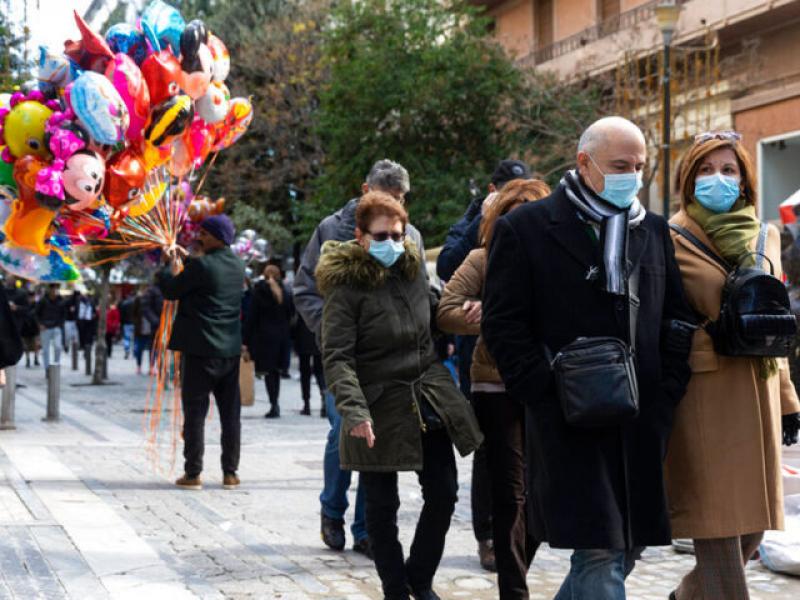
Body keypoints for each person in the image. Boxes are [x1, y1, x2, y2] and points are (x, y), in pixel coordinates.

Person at [482, 116, 695, 599]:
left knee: (624, 549)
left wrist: (666, 393)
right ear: (584, 162)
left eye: (640, 166)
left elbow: (676, 319)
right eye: (621, 165)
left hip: (641, 421)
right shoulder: (527, 229)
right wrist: (544, 393)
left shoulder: (652, 230)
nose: (633, 176)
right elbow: (503, 325)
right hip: (571, 420)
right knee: (598, 549)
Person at [318, 191, 483, 600]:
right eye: (382, 235)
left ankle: (419, 577)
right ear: (360, 236)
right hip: (375, 404)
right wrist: (354, 411)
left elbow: (434, 317)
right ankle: (395, 587)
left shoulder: (412, 272)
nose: (392, 243)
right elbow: (337, 357)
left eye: (398, 234)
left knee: (444, 492)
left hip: (427, 397)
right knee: (380, 505)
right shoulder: (345, 287)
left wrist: (463, 315)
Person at [664, 132, 800, 600]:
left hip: (757, 391)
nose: (716, 179)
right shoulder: (667, 235)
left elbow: (772, 321)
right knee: (717, 527)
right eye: (705, 170)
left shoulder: (766, 233)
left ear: (744, 180)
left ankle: (683, 597)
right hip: (703, 395)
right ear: (687, 178)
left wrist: (787, 401)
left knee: (752, 532)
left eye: (727, 170)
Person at [294, 159, 425, 557]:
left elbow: (421, 290)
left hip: (392, 363)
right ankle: (332, 510)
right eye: (389, 196)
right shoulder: (332, 229)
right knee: (343, 431)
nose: (396, 204)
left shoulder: (410, 234)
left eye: (401, 199)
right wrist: (333, 329)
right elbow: (304, 289)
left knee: (379, 440)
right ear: (366, 189)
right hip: (345, 358)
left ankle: (367, 528)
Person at [437, 178, 551, 599]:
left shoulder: (556, 262)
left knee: (543, 492)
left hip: (547, 383)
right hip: (495, 385)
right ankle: (514, 590)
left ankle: (518, 565)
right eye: (510, 215)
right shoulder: (483, 259)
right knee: (511, 492)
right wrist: (490, 314)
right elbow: (446, 310)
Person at [157, 214, 245, 491]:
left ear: (218, 237)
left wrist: (166, 266)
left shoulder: (202, 266)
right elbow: (204, 276)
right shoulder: (238, 265)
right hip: (229, 350)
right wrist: (190, 260)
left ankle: (193, 473)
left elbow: (172, 290)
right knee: (231, 415)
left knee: (195, 413)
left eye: (204, 234)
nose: (199, 238)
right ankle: (230, 472)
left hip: (199, 350)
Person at [244, 264, 294, 419]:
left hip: (264, 338)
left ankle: (274, 404)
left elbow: (251, 317)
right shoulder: (285, 292)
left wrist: (245, 339)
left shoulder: (258, 292)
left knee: (266, 372)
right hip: (281, 338)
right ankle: (275, 402)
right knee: (276, 372)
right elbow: (291, 314)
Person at [293, 314, 327, 417]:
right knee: (320, 372)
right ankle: (324, 397)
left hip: (303, 336)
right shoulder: (323, 299)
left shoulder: (302, 299)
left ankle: (306, 404)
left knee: (305, 373)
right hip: (319, 337)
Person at [133, 283, 162, 375]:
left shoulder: (155, 297)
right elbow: (134, 313)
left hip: (151, 327)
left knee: (153, 348)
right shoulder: (138, 300)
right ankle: (139, 366)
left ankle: (152, 367)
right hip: (141, 328)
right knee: (139, 349)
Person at [36, 284, 65, 371]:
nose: (54, 291)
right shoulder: (43, 300)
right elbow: (36, 313)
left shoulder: (60, 300)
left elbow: (64, 314)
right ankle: (47, 369)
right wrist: (40, 324)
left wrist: (60, 324)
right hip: (45, 327)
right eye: (53, 289)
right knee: (45, 350)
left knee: (58, 347)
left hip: (56, 327)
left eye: (56, 289)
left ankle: (56, 366)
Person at [119, 293, 135, 359]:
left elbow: (121, 315)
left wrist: (121, 323)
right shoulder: (135, 304)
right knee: (134, 338)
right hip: (134, 323)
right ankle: (134, 352)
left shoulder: (124, 304)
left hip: (126, 323)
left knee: (126, 338)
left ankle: (127, 350)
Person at [63, 289, 79, 354]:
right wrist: (68, 310)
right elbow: (63, 308)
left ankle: (74, 348)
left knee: (75, 335)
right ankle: (66, 346)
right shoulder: (69, 301)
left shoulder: (77, 302)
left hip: (74, 321)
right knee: (68, 335)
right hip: (68, 320)